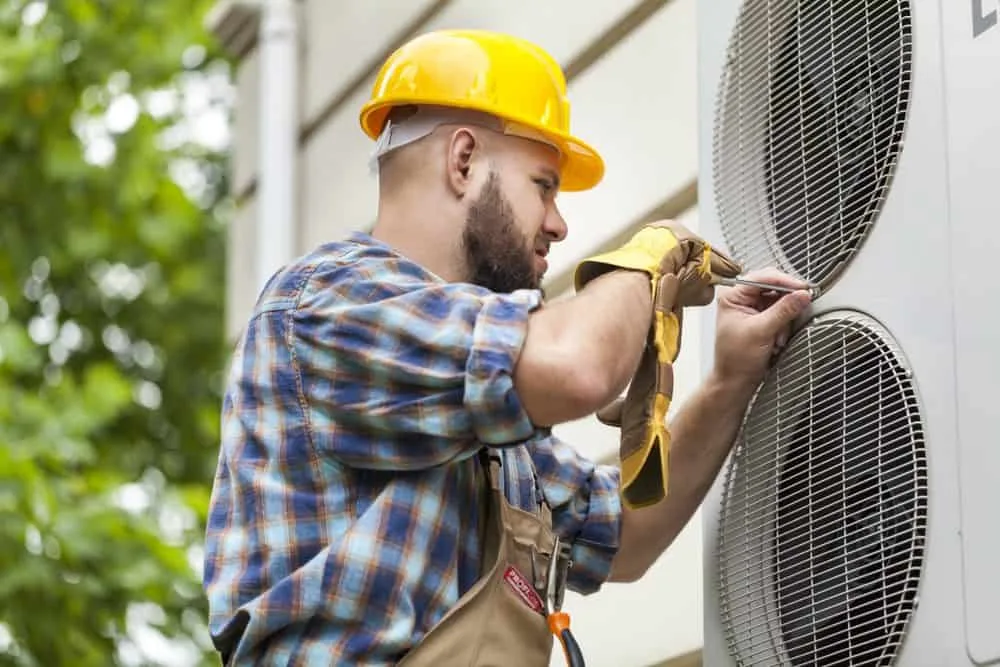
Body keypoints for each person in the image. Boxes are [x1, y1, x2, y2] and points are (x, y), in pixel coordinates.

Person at [202, 29, 813, 666]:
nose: (558, 222)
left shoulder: (482, 418)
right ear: (462, 161)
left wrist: (730, 380)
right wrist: (648, 259)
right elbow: (576, 365)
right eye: (544, 185)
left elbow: (627, 534)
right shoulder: (329, 301)